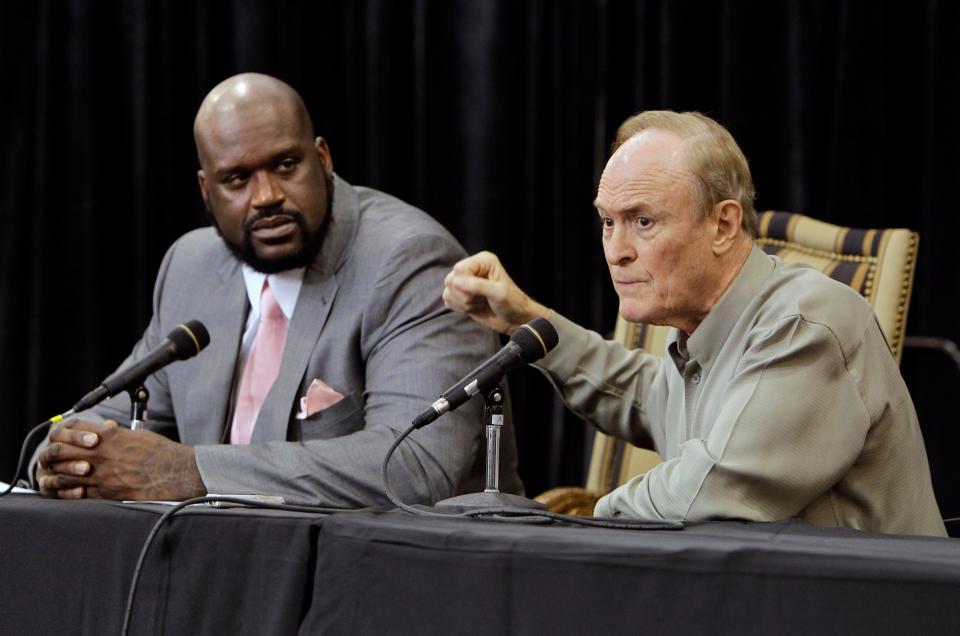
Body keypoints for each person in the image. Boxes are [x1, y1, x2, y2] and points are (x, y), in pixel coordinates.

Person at [442, 110, 946, 536]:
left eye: (643, 221)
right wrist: (527, 320)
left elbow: (713, 488)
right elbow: (644, 396)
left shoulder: (805, 321)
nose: (616, 251)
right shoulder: (701, 332)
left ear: (723, 225)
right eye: (607, 222)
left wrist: (575, 528)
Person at [33, 72, 521, 506]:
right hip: (221, 570)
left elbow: (415, 465)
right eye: (237, 179)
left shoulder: (410, 260)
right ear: (207, 190)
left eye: (286, 165)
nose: (266, 196)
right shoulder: (192, 267)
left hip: (382, 580)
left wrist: (187, 471)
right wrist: (56, 458)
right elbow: (95, 421)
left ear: (323, 158)